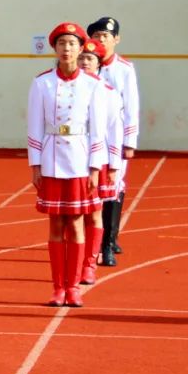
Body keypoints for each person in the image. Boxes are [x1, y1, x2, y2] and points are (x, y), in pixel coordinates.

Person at [27, 23, 107, 307]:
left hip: (80, 159)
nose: (67, 49)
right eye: (61, 43)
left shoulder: (93, 85)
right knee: (55, 223)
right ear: (55, 48)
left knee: (75, 222)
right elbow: (35, 125)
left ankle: (73, 286)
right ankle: (57, 286)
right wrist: (35, 164)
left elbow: (98, 129)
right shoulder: (42, 82)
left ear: (80, 47)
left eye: (72, 43)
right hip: (51, 158)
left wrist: (96, 167)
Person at [86, 17, 139, 267]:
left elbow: (131, 107)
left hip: (114, 139)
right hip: (88, 139)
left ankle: (108, 242)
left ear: (116, 39)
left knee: (114, 186)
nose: (101, 40)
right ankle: (95, 240)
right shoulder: (86, 67)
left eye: (106, 36)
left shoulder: (124, 69)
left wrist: (130, 141)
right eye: (97, 36)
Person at [76, 39, 123, 286]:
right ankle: (75, 262)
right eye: (81, 57)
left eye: (90, 59)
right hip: (73, 159)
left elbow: (115, 129)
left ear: (99, 63)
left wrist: (114, 164)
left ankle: (89, 264)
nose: (84, 62)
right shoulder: (71, 87)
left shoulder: (108, 91)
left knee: (94, 214)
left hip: (100, 158)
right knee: (73, 215)